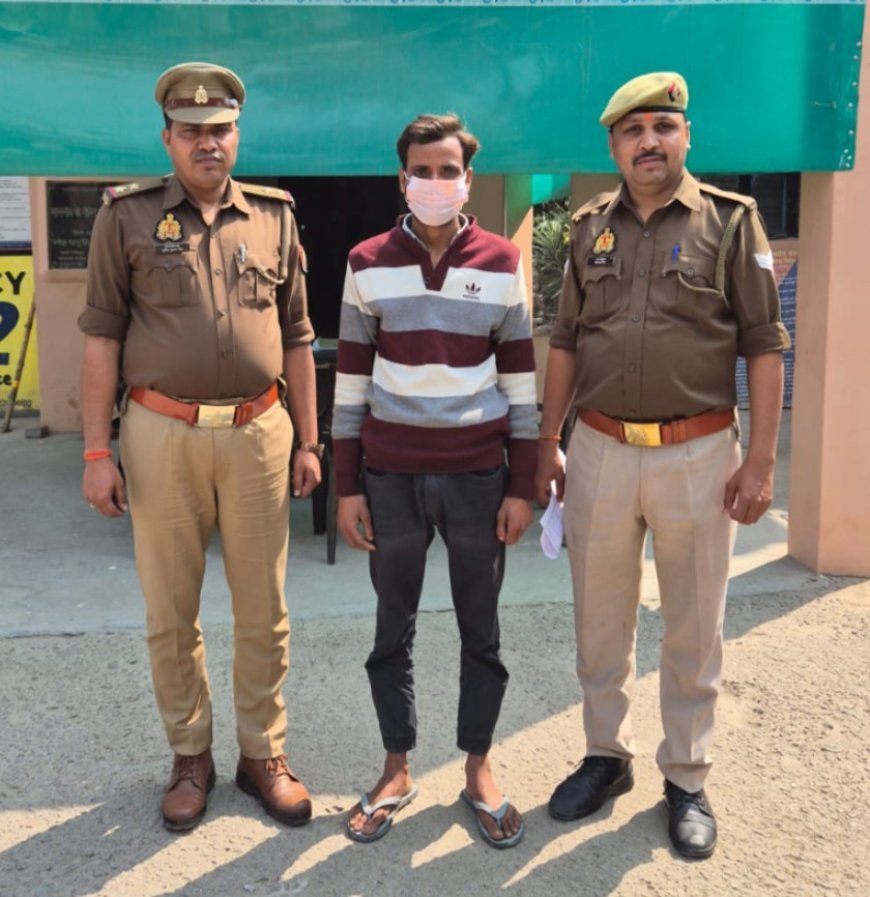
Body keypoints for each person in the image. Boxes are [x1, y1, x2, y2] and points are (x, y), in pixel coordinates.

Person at [535, 73, 790, 859]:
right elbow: (567, 339)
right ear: (613, 146)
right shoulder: (588, 228)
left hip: (699, 455)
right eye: (632, 130)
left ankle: (686, 775)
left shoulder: (731, 221)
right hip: (600, 450)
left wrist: (760, 461)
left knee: (693, 625)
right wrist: (548, 441)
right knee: (599, 620)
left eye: (662, 126)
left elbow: (764, 344)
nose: (648, 141)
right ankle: (606, 757)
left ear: (685, 136)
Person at [79, 61, 322, 832]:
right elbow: (101, 338)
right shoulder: (126, 218)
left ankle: (263, 752)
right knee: (170, 608)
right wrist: (96, 452)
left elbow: (297, 336)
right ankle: (190, 754)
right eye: (191, 130)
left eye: (219, 129)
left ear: (237, 135)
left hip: (259, 432)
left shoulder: (275, 217)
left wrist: (310, 441)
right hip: (161, 433)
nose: (207, 142)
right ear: (168, 138)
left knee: (265, 608)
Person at [333, 113, 537, 848]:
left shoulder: (504, 261)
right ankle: (396, 766)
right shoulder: (366, 262)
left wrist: (522, 486)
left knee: (482, 629)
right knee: (393, 628)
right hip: (391, 476)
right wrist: (347, 486)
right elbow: (350, 383)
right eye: (422, 170)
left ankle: (478, 766)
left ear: (468, 180)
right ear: (402, 179)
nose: (435, 182)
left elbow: (521, 383)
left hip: (478, 477)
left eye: (449, 170)